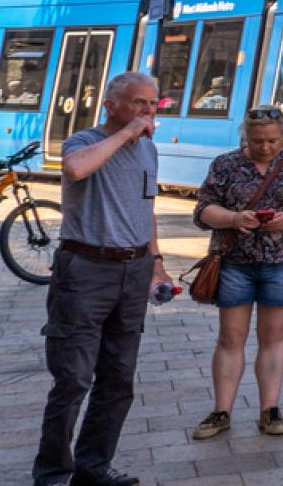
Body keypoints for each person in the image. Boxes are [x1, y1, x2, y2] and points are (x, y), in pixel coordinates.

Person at [35, 71, 172, 486]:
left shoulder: (149, 150)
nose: (147, 111)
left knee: (118, 379)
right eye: (138, 103)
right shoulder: (84, 141)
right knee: (73, 379)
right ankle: (54, 473)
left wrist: (157, 264)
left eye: (153, 104)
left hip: (133, 272)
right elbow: (75, 169)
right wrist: (125, 134)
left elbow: (144, 211)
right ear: (111, 106)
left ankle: (93, 467)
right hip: (85, 271)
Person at [190, 106, 283, 441]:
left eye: (272, 140)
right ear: (244, 137)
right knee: (231, 338)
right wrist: (235, 219)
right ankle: (221, 411)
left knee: (273, 337)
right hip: (234, 262)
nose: (265, 147)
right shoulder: (225, 164)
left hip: (279, 262)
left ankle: (270, 409)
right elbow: (203, 210)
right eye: (257, 141)